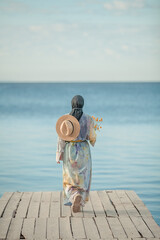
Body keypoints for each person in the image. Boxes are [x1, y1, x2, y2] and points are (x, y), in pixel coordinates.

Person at [56, 95, 96, 213]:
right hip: (84, 150)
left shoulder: (66, 119)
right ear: (83, 104)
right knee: (83, 176)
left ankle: (74, 196)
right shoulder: (89, 119)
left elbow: (61, 138)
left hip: (69, 150)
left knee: (69, 177)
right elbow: (92, 138)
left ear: (72, 104)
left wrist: (59, 153)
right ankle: (79, 196)